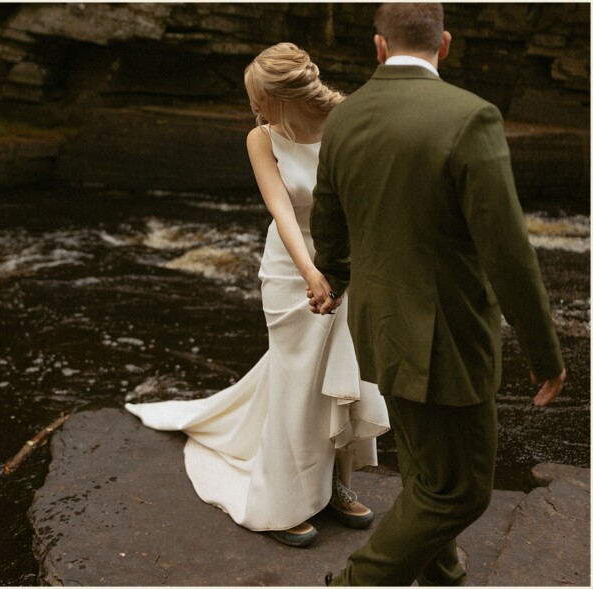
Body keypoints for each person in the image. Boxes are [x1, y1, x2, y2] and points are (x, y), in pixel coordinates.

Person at [309, 4, 566, 585]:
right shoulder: (469, 117)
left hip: (377, 326)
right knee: (462, 492)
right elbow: (507, 251)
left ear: (379, 47)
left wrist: (338, 279)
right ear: (443, 44)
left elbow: (328, 221)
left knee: (428, 471)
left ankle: (440, 574)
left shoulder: (344, 119)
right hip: (446, 337)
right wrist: (544, 352)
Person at [125, 43, 390, 548]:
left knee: (341, 377)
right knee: (297, 383)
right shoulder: (262, 139)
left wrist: (351, 269)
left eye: (258, 98)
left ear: (283, 93)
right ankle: (283, 502)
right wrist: (312, 273)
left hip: (349, 266)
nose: (254, 108)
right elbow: (283, 213)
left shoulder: (348, 122)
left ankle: (337, 486)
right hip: (292, 273)